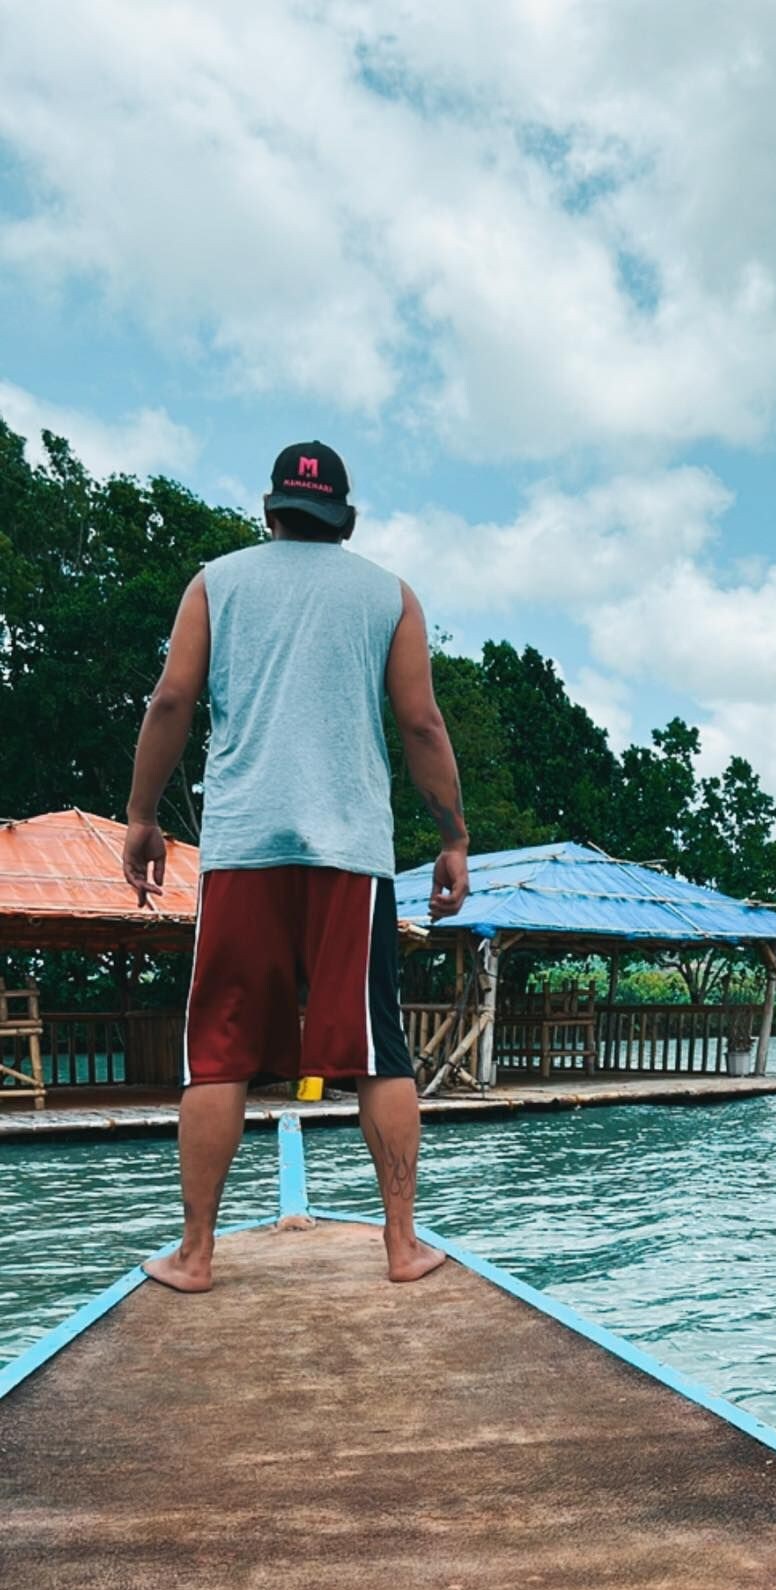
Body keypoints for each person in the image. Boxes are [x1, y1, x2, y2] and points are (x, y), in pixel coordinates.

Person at [122, 440, 469, 1292]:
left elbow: (171, 698)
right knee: (380, 1053)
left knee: (219, 1055)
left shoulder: (217, 581)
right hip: (350, 856)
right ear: (344, 518)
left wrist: (142, 814)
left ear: (270, 509)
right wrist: (452, 835)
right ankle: (400, 1246)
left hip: (243, 848)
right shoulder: (389, 594)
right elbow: (421, 725)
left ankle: (197, 1256)